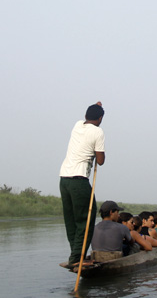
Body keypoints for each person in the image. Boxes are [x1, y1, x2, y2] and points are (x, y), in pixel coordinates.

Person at [59, 101, 106, 268]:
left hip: (64, 179)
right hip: (79, 180)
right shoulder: (98, 132)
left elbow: (89, 115)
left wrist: (95, 105)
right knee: (87, 219)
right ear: (100, 118)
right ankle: (77, 258)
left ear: (85, 116)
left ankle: (76, 254)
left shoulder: (77, 125)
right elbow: (100, 161)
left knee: (71, 220)